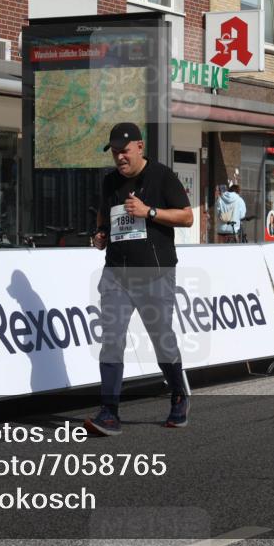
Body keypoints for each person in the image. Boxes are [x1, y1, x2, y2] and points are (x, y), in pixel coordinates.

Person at [87, 123, 193, 436]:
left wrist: (149, 212)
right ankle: (109, 413)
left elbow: (187, 216)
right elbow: (104, 216)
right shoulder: (109, 181)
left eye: (124, 151)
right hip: (116, 274)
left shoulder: (161, 176)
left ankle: (178, 394)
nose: (120, 157)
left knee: (161, 338)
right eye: (115, 152)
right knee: (111, 340)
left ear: (139, 147)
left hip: (155, 273)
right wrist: (100, 234)